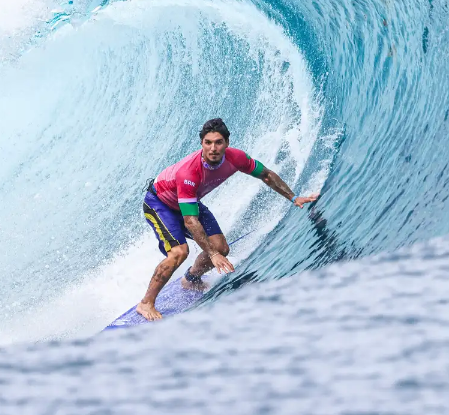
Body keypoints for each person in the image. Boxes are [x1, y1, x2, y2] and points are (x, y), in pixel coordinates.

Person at [137, 118, 319, 321]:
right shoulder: (189, 172)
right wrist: (212, 254)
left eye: (218, 142)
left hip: (189, 202)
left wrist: (294, 197)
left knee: (221, 248)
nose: (213, 148)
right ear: (201, 144)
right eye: (208, 142)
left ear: (227, 143)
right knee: (179, 252)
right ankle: (146, 303)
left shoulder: (236, 158)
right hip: (160, 203)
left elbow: (266, 175)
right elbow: (190, 221)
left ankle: (191, 279)